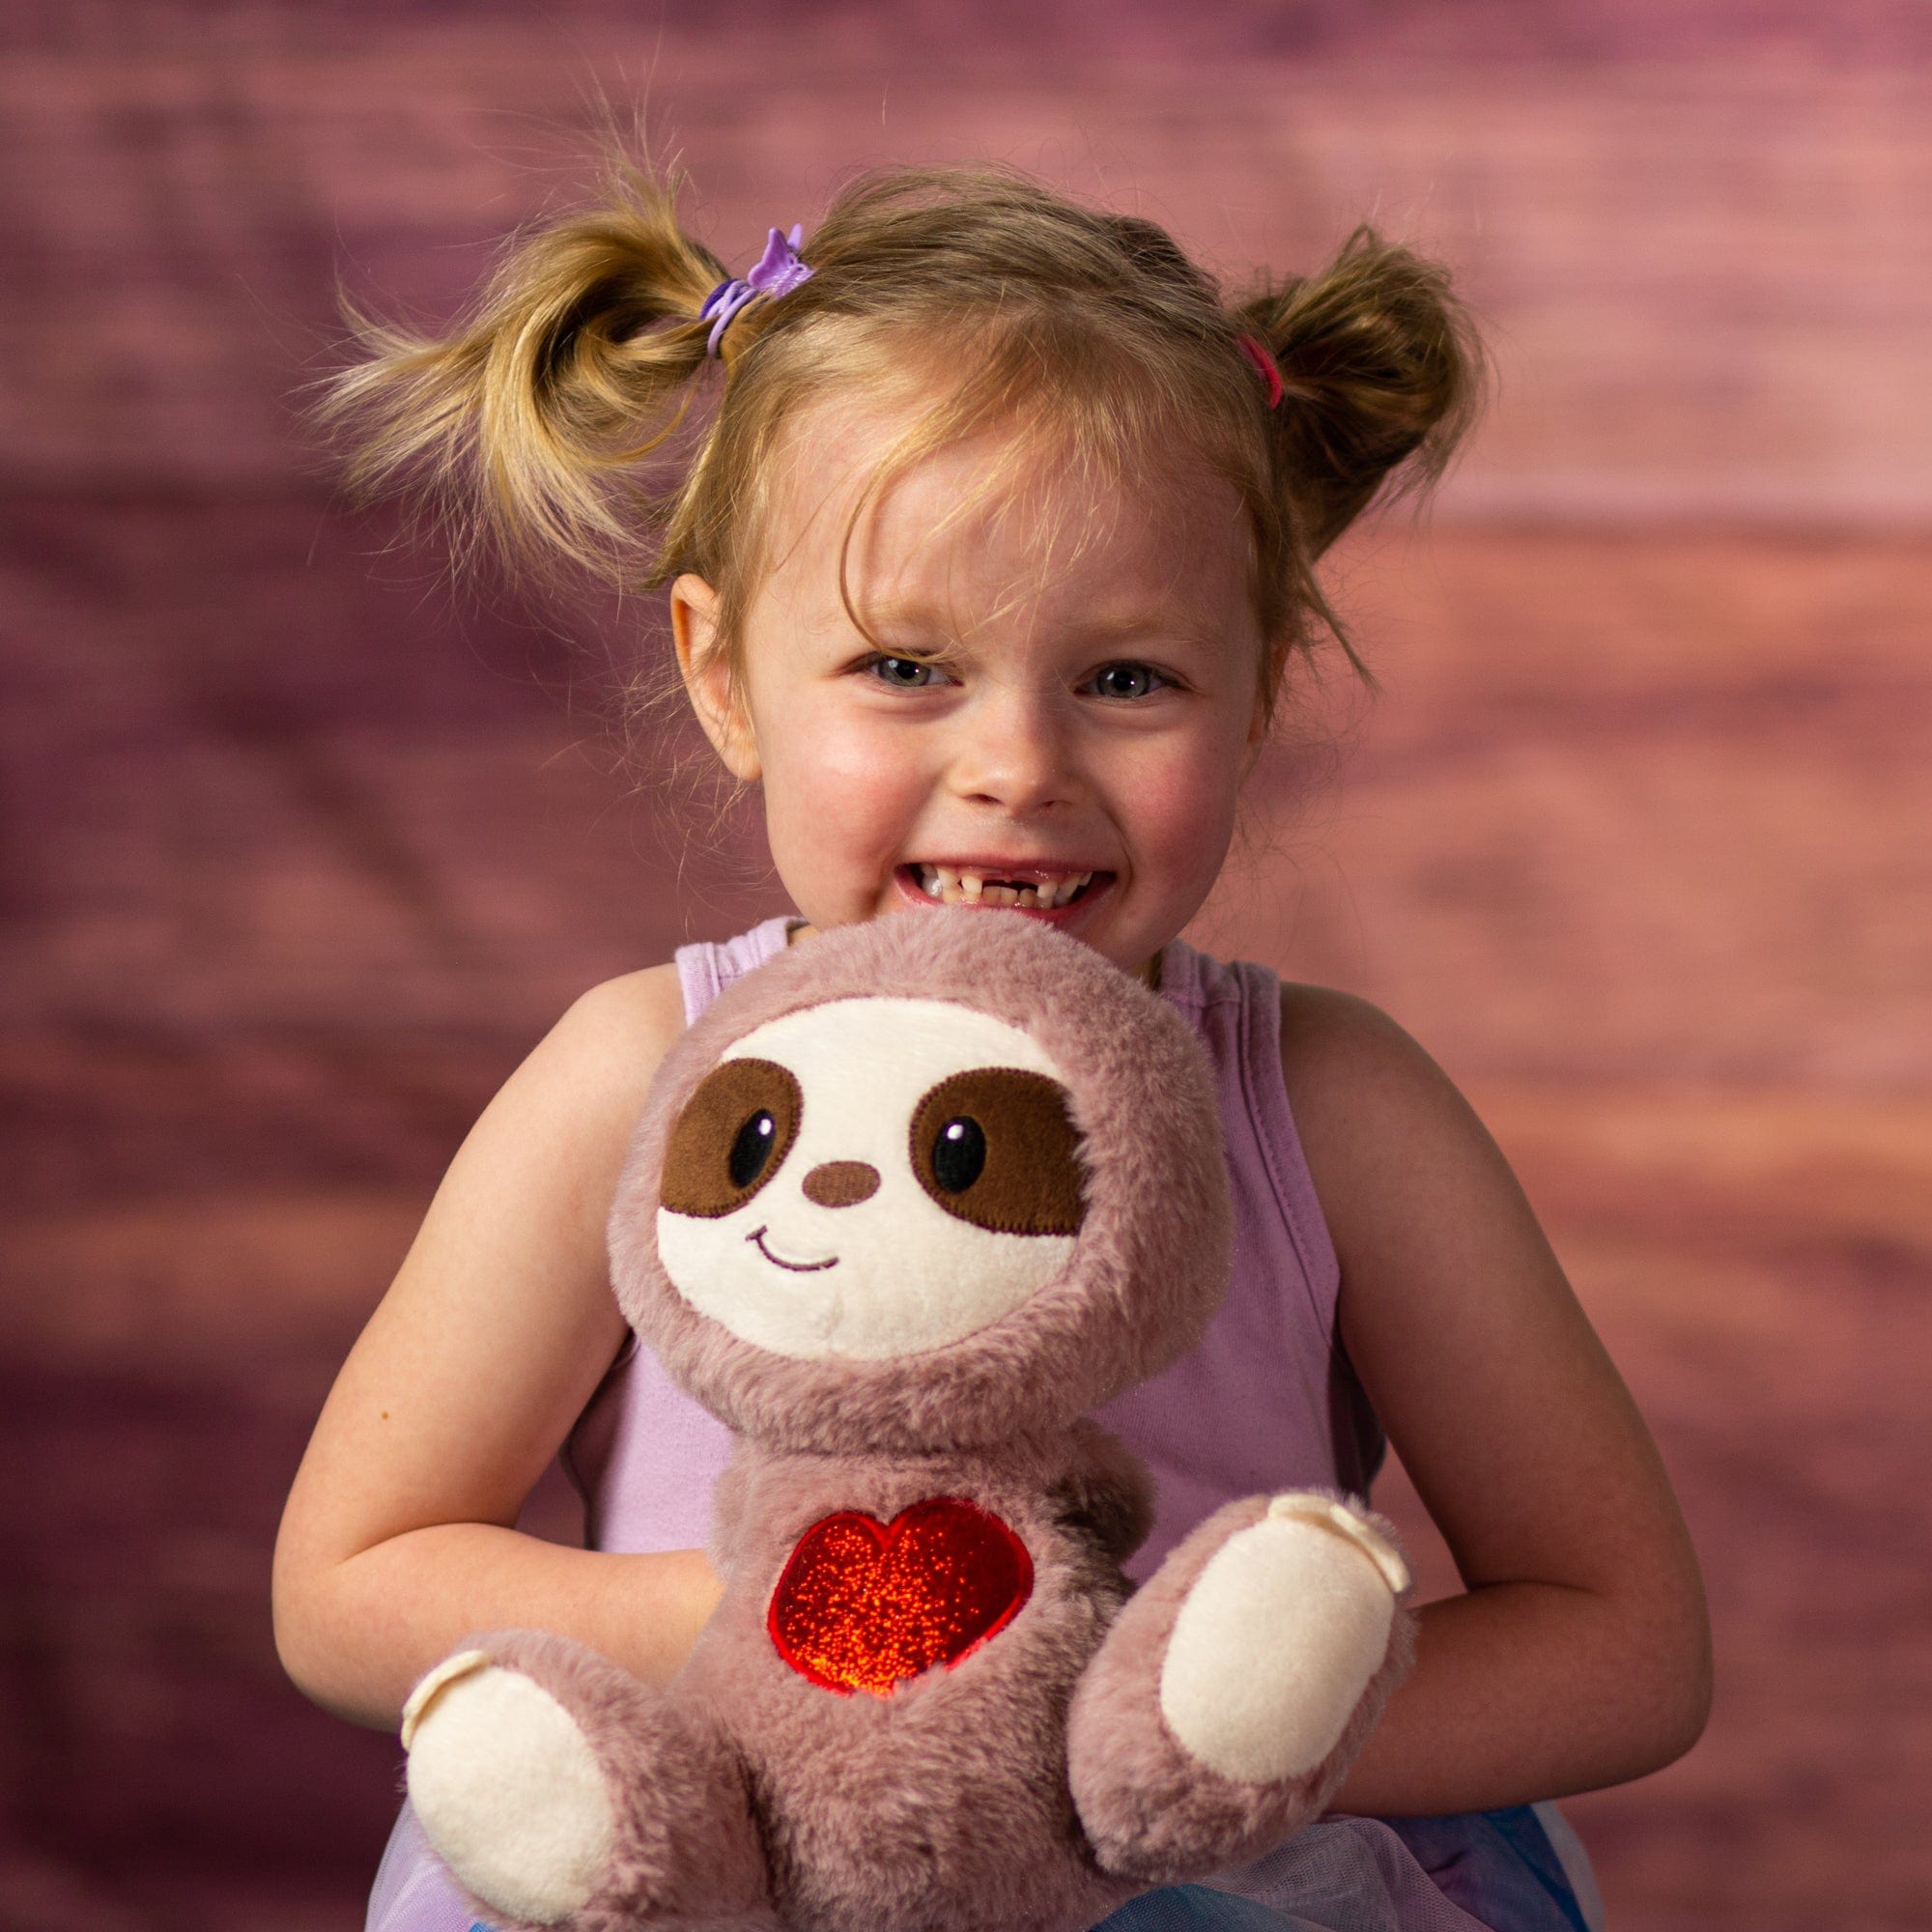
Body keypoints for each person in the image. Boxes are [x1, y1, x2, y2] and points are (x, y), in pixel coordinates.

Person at [271, 157, 1710, 1932]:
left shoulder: (1328, 1105)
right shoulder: (632, 1069)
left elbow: (1627, 1644)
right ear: (724, 676)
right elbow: (349, 1588)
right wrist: (806, 1638)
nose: (1019, 763)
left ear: (1256, 687)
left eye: (1127, 680)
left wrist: (1171, 1724)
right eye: (902, 667)